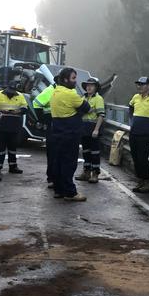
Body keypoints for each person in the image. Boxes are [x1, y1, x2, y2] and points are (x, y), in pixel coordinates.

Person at [50, 68, 90, 201]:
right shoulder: (70, 94)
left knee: (58, 162)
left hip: (57, 131)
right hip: (70, 133)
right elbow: (86, 107)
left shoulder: (55, 92)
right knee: (69, 163)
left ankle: (59, 190)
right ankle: (70, 192)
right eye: (73, 78)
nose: (75, 81)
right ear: (66, 79)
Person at [76, 77, 105, 183]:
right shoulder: (82, 98)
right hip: (84, 128)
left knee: (95, 152)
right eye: (87, 85)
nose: (89, 87)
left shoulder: (98, 98)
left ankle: (95, 173)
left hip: (93, 128)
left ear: (96, 87)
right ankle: (86, 172)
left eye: (91, 85)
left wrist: (96, 130)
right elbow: (78, 112)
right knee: (85, 151)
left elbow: (101, 115)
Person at [0, 81, 27, 174]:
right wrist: (1, 110)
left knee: (13, 148)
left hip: (14, 126)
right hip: (2, 126)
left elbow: (25, 108)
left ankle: (13, 167)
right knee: (0, 148)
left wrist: (18, 111)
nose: (11, 94)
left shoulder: (20, 95)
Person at [33, 76, 58, 188]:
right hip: (52, 125)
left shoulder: (64, 91)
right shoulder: (50, 90)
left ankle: (57, 178)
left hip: (59, 126)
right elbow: (36, 103)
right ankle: (51, 178)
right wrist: (43, 120)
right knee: (52, 153)